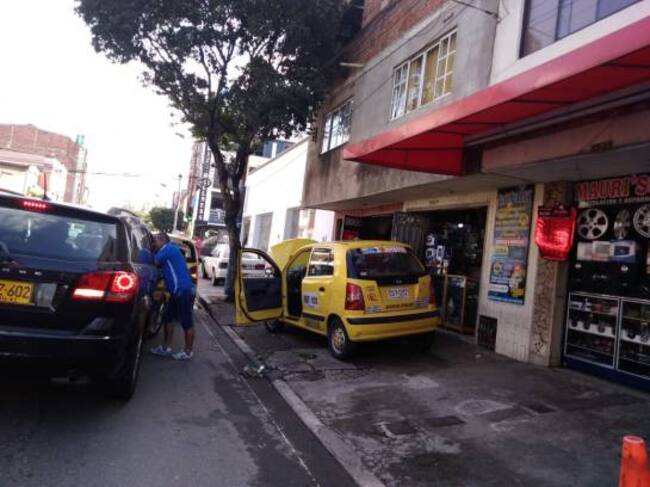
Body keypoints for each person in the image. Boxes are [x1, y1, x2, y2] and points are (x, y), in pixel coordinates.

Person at [150, 233, 195, 361]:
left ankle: (188, 352)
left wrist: (147, 252)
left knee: (187, 322)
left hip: (182, 291)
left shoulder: (168, 249)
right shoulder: (171, 249)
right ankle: (165, 348)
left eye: (155, 241)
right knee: (168, 318)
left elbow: (154, 262)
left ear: (162, 240)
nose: (153, 244)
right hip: (176, 291)